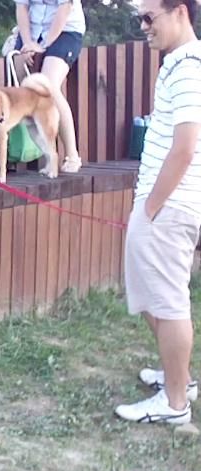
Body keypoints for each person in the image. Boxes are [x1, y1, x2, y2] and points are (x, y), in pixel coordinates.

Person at [114, 0, 201, 425]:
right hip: (163, 206)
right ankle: (178, 378)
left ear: (180, 12)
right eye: (139, 19)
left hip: (166, 207)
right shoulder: (179, 64)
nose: (143, 26)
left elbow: (185, 148)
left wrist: (151, 207)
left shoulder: (188, 67)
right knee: (151, 296)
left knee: (167, 303)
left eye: (149, 18)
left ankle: (174, 404)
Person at [12, 0, 85, 173]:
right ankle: (46, 157)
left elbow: (64, 9)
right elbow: (21, 7)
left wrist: (43, 45)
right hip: (32, 29)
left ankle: (72, 155)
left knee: (48, 85)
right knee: (19, 88)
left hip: (65, 30)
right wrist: (28, 43)